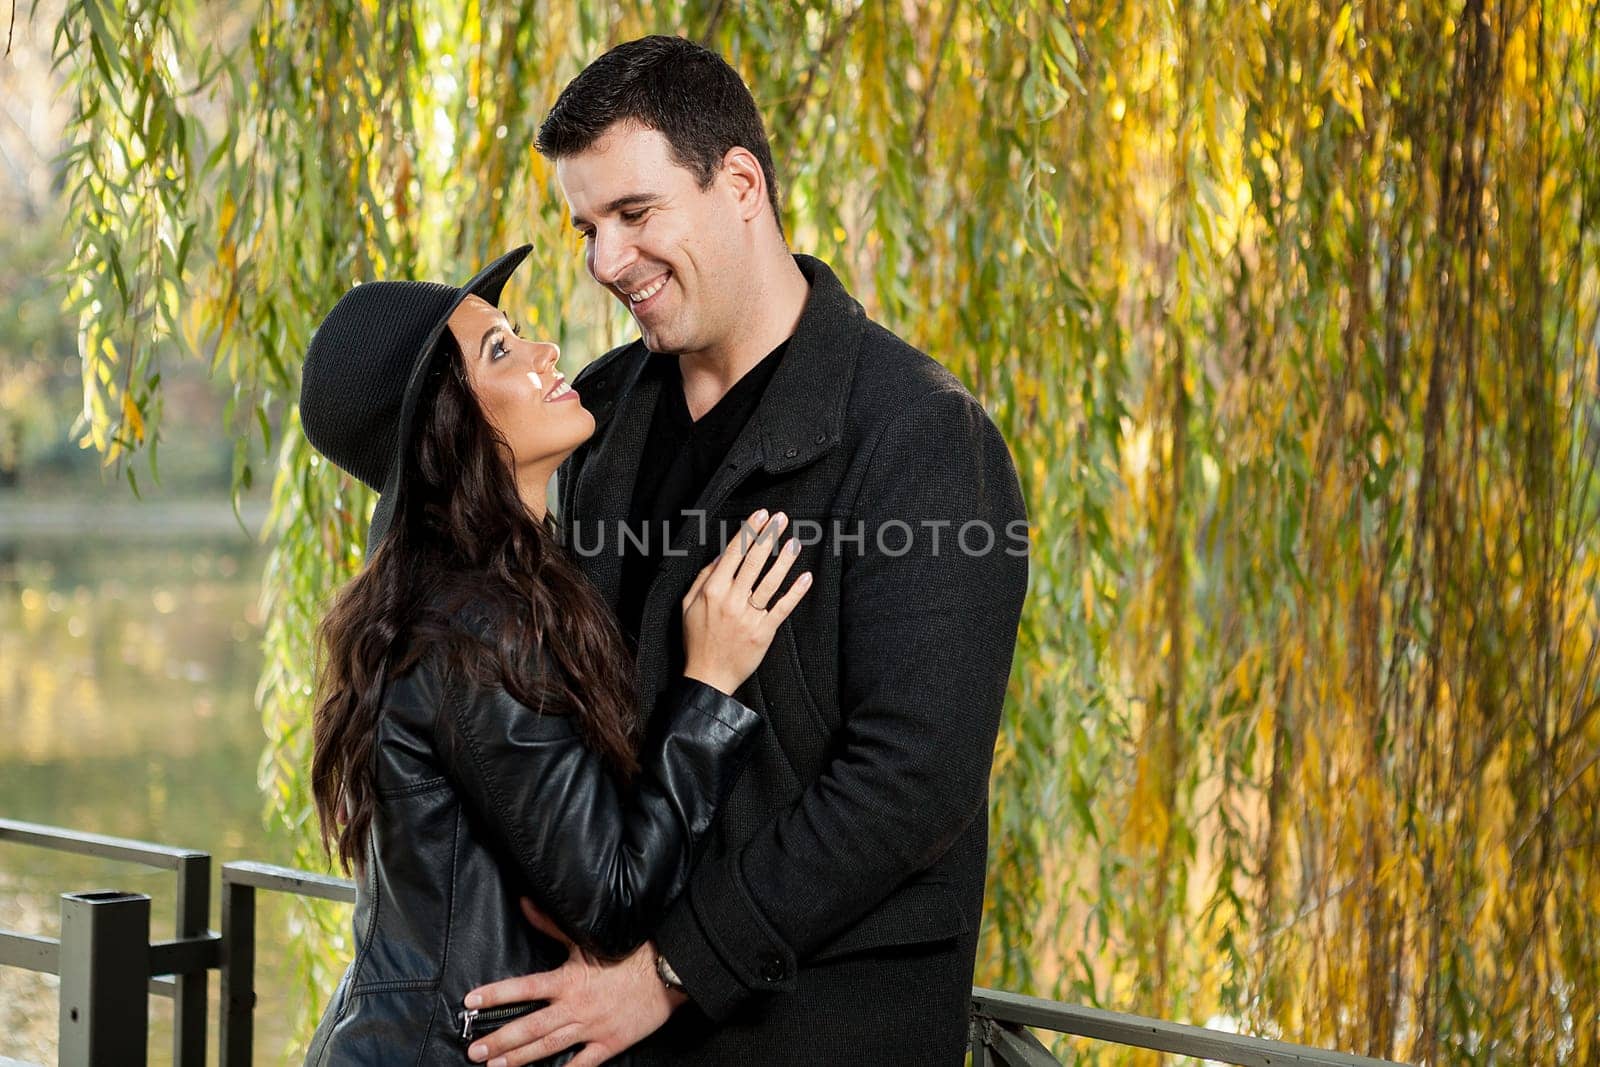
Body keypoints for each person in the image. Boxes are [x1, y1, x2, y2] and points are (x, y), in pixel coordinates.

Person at [463, 36, 1030, 1067]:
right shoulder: (592, 411)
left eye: (635, 215)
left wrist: (668, 968)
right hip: (597, 1034)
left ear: (738, 185)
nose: (603, 262)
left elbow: (911, 779)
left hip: (816, 1033)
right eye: (587, 226)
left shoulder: (921, 436)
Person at [295, 245, 812, 1065]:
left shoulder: (505, 590)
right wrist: (709, 681)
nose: (545, 353)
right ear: (450, 425)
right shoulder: (473, 626)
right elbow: (611, 898)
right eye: (500, 350)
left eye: (520, 333)